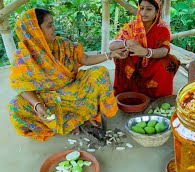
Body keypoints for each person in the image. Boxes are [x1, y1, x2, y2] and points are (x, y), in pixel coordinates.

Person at [8, 8, 126, 141]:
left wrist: (110, 55)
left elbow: (85, 59)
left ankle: (79, 119)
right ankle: (70, 122)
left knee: (99, 73)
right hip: (46, 100)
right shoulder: (23, 56)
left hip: (73, 91)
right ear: (35, 30)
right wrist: (37, 105)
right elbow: (22, 87)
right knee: (15, 106)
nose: (54, 28)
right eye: (49, 25)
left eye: (53, 23)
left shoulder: (62, 44)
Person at [109, 0, 181, 98]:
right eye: (141, 8)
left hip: (152, 63)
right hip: (133, 65)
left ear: (157, 11)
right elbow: (112, 46)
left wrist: (146, 52)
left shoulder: (162, 28)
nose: (144, 12)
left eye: (149, 9)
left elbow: (164, 51)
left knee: (170, 61)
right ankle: (127, 92)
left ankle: (159, 97)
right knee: (120, 55)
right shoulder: (132, 26)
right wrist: (127, 42)